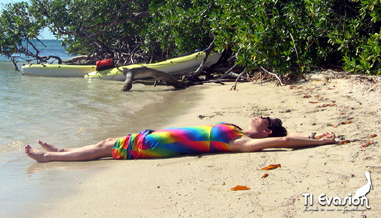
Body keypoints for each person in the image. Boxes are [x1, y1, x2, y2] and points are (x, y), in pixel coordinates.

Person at [24, 116, 336, 163]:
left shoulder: (242, 143)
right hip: (155, 137)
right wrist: (312, 135)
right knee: (107, 141)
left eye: (264, 119)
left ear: (266, 130)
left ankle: (51, 158)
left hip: (158, 146)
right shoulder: (238, 131)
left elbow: (281, 143)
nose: (258, 116)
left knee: (106, 148)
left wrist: (318, 142)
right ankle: (64, 149)